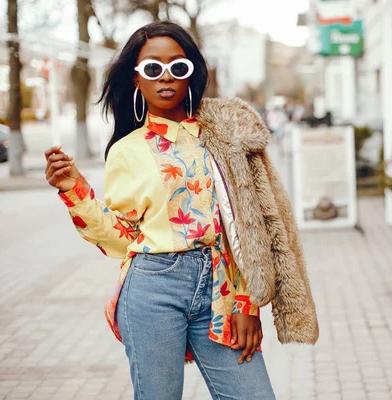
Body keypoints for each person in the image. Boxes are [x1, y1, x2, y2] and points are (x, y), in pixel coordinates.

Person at [44, 21, 318, 400]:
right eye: (153, 68)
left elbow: (245, 226)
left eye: (178, 66)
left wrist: (247, 302)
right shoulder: (127, 151)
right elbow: (123, 238)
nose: (166, 76)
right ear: (137, 80)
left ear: (192, 73)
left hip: (220, 288)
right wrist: (72, 188)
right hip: (152, 287)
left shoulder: (222, 138)